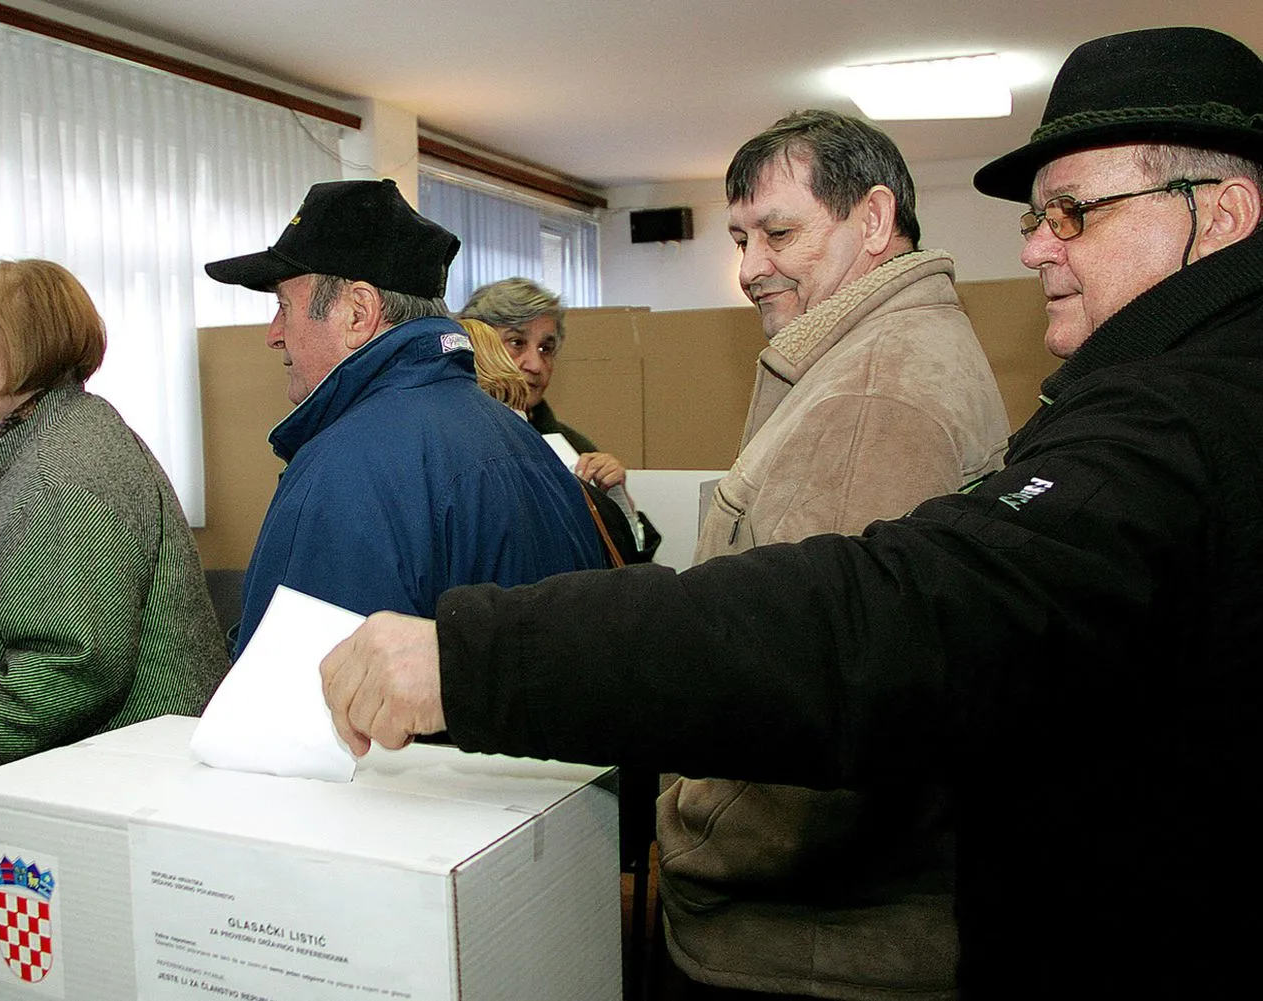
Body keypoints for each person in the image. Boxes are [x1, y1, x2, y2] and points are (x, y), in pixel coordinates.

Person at [319, 26, 1263, 997]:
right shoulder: (1155, 391)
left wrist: (493, 671)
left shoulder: (1113, 414)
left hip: (809, 946)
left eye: (1071, 213)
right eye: (741, 240)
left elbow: (857, 634)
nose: (1033, 247)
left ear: (1224, 213)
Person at [648, 109, 1009, 998]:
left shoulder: (870, 395)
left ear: (874, 220)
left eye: (778, 234)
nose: (749, 268)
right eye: (741, 239)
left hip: (807, 946)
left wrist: (688, 832)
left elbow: (823, 707)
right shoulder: (881, 352)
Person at [0, 259, 228, 987]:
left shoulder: (68, 465)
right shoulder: (50, 437)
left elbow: (65, 670)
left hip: (108, 805)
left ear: (37, 339)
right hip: (88, 789)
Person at [204, 179, 604, 655]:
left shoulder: (347, 468)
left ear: (359, 313)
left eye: (283, 307)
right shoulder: (530, 447)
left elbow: (297, 687)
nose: (274, 334)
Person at [460, 277, 661, 563]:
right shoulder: (450, 443)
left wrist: (618, 503)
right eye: (517, 343)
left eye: (546, 348)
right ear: (477, 347)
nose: (536, 365)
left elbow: (628, 569)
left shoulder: (575, 449)